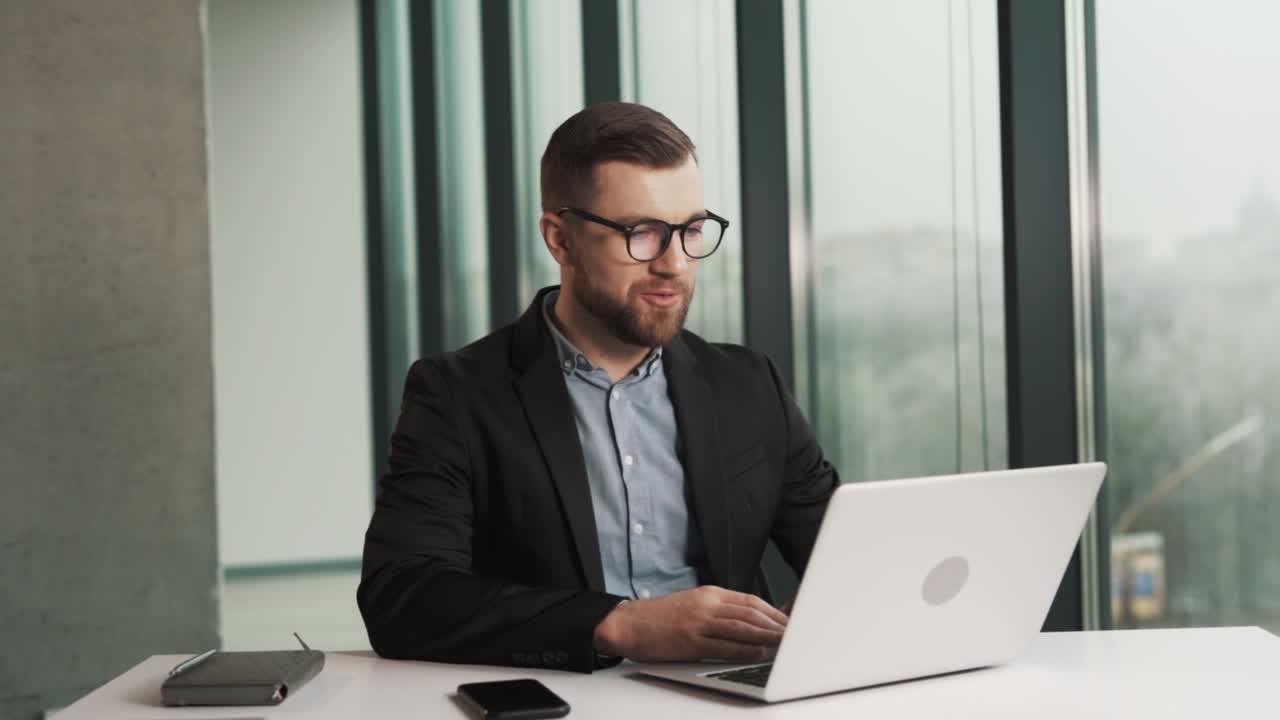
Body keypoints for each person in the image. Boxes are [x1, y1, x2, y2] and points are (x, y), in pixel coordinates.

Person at [358, 102, 839, 673]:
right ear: (560, 240)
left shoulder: (748, 384)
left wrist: (822, 619)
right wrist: (617, 624)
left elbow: (848, 552)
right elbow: (403, 597)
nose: (676, 265)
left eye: (690, 231)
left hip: (728, 697)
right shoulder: (457, 394)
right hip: (566, 696)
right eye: (642, 234)